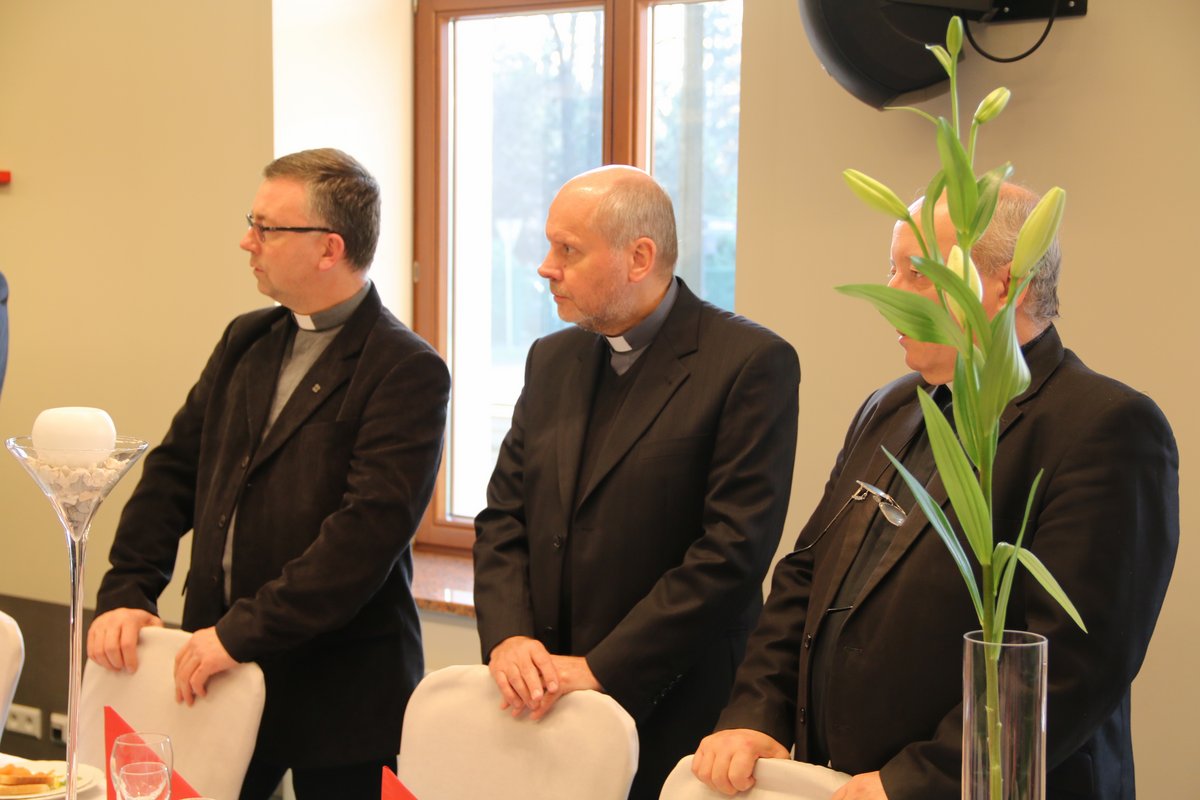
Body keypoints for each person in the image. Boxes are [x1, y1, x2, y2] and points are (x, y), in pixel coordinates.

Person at [692, 184, 1179, 800]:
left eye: (918, 273)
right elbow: (805, 574)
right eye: (891, 270)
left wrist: (912, 782)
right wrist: (756, 713)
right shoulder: (890, 406)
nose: (890, 295)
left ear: (1006, 285)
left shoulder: (1105, 425)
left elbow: (1074, 665)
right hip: (839, 780)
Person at [87, 148, 450, 800]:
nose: (247, 241)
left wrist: (239, 634)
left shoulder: (405, 368)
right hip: (214, 665)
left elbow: (362, 539)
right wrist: (129, 589)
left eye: (267, 228)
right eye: (251, 222)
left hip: (339, 689)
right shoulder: (246, 340)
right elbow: (174, 471)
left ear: (329, 247)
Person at [473, 165, 801, 800]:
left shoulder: (749, 363)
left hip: (677, 705)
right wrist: (510, 636)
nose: (545, 267)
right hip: (543, 702)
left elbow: (731, 553)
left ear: (639, 257)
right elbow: (504, 516)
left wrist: (603, 668)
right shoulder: (552, 358)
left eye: (568, 249)